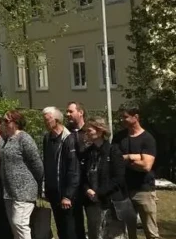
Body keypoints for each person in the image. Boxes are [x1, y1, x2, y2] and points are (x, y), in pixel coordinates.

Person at [112, 107, 159, 239]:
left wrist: (127, 157)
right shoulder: (119, 137)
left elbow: (146, 166)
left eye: (125, 117)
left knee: (151, 231)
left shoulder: (147, 139)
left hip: (144, 191)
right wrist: (137, 157)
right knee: (127, 232)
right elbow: (114, 159)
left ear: (136, 117)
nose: (122, 120)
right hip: (124, 191)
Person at [0, 110, 44, 239]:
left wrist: (37, 182)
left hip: (24, 190)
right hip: (9, 191)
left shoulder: (24, 138)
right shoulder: (7, 139)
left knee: (19, 223)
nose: (4, 123)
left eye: (7, 121)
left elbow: (37, 164)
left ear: (16, 122)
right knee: (15, 227)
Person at [83, 118, 128, 239]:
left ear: (100, 131)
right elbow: (83, 176)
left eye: (90, 130)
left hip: (111, 204)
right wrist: (87, 190)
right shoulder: (88, 153)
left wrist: (99, 193)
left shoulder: (114, 151)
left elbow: (118, 178)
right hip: (92, 204)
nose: (87, 132)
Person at [42, 107, 80, 239]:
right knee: (60, 229)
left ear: (57, 120)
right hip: (53, 193)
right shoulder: (47, 138)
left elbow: (73, 169)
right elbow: (46, 163)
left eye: (47, 120)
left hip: (66, 193)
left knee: (70, 229)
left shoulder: (69, 139)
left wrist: (68, 195)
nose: (45, 123)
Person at [67, 101, 89, 239]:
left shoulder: (90, 132)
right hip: (74, 185)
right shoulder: (66, 133)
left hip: (89, 184)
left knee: (94, 222)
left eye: (71, 111)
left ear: (80, 112)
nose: (67, 114)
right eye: (67, 112)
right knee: (75, 224)